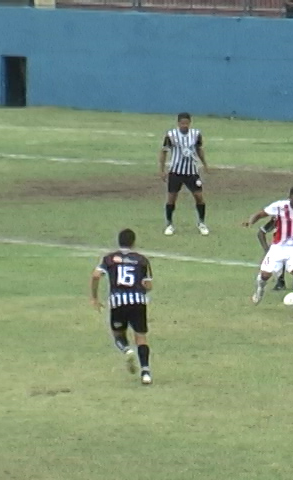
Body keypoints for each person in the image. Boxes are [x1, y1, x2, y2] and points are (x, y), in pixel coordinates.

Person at [243, 186, 293, 320]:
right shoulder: (279, 207)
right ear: (289, 198)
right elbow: (260, 214)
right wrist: (250, 221)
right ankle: (260, 291)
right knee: (265, 275)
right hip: (278, 247)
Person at [90, 229, 154, 385]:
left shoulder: (109, 258)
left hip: (118, 302)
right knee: (141, 337)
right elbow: (149, 285)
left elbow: (96, 275)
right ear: (133, 242)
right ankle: (146, 372)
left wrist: (94, 297)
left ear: (119, 242)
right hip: (138, 302)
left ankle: (127, 350)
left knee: (118, 334)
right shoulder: (142, 260)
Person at [158, 112, 209, 237]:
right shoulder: (171, 135)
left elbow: (199, 149)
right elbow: (164, 151)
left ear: (190, 123)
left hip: (191, 171)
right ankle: (169, 224)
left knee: (199, 197)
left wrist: (205, 164)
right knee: (171, 197)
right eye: (182, 123)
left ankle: (201, 223)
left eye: (187, 123)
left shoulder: (196, 134)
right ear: (178, 123)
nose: (184, 126)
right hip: (176, 171)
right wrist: (162, 169)